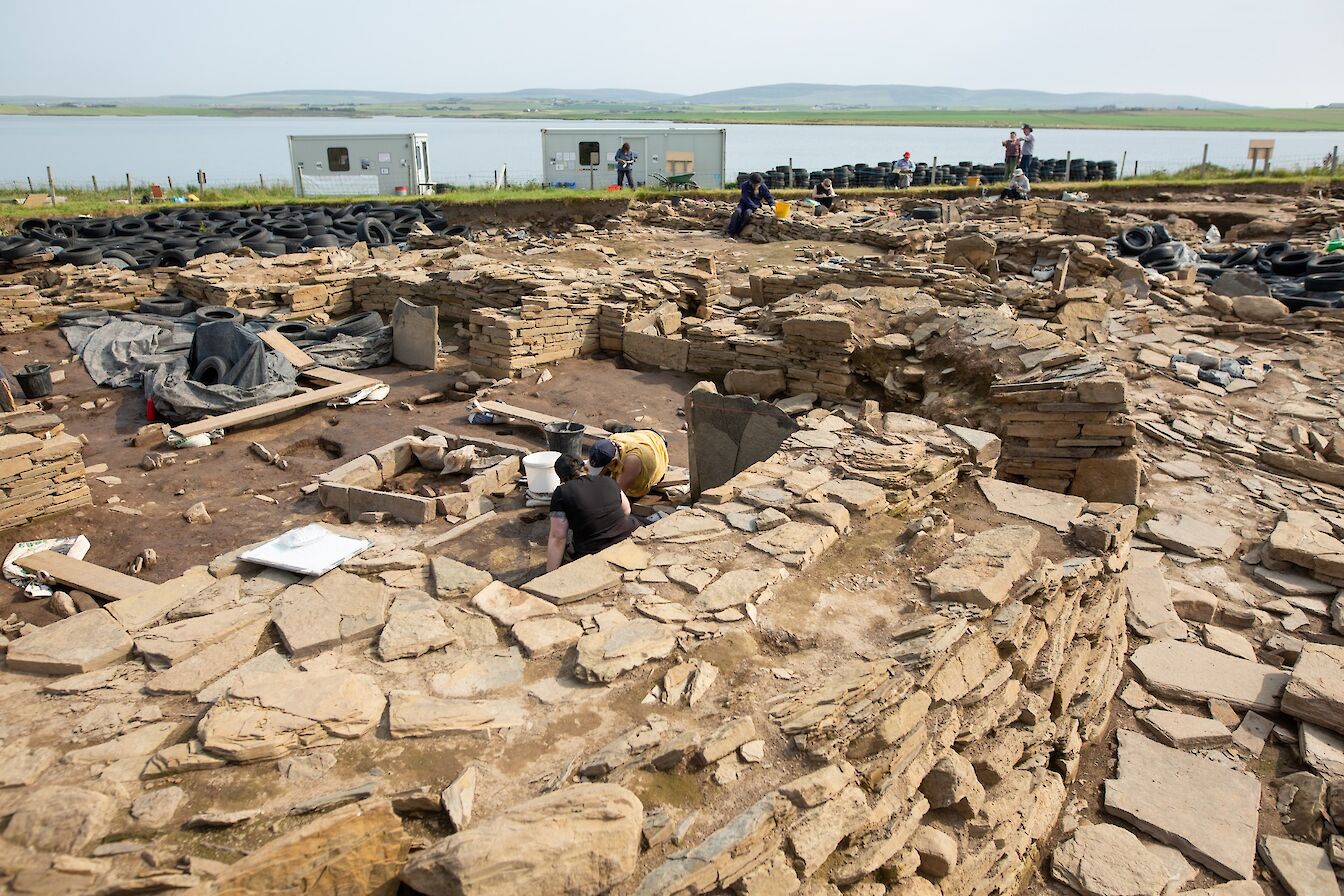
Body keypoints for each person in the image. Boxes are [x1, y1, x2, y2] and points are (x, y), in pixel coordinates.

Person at [546, 454, 639, 572]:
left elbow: (558, 537)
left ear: (560, 476)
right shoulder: (607, 480)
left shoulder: (561, 493)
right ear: (584, 467)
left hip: (594, 549)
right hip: (626, 535)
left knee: (567, 552)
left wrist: (549, 574)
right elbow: (626, 510)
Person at [588, 430, 669, 499]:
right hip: (643, 435)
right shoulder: (610, 441)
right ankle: (626, 428)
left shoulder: (633, 461)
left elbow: (616, 495)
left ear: (613, 461)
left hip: (658, 445)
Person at [726, 173, 775, 237]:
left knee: (747, 213)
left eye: (758, 184)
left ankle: (738, 231)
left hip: (755, 203)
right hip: (744, 203)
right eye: (755, 185)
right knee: (737, 212)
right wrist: (755, 207)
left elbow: (768, 197)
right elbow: (746, 199)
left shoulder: (763, 187)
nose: (757, 186)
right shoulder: (745, 185)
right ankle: (730, 232)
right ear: (751, 183)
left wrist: (772, 205)